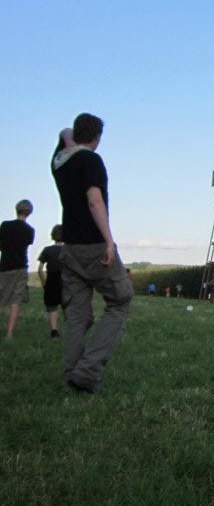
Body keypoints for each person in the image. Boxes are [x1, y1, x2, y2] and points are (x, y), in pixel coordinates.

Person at [51, 113, 133, 392]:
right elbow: (94, 200)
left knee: (77, 316)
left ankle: (71, 375)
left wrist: (70, 136)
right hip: (94, 245)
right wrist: (109, 241)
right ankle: (87, 372)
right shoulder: (91, 160)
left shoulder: (59, 161)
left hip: (70, 248)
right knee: (120, 301)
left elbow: (64, 132)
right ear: (98, 137)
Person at [0, 200, 35, 340]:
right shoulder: (30, 230)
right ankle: (9, 334)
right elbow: (25, 244)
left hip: (5, 266)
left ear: (17, 209)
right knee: (16, 301)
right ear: (29, 212)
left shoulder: (5, 225)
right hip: (21, 267)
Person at [37, 224, 65, 338]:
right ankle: (71, 330)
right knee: (68, 306)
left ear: (52, 235)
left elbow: (40, 269)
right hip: (66, 281)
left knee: (52, 307)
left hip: (51, 281)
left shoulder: (47, 250)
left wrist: (44, 284)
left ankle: (54, 331)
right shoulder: (68, 250)